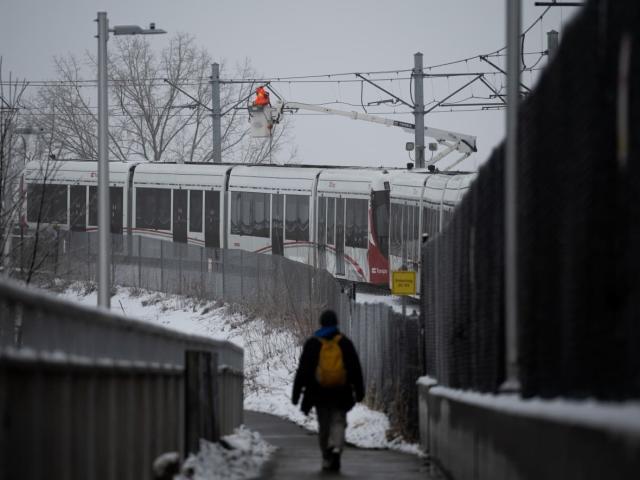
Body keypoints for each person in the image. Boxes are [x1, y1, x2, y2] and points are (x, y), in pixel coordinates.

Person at [292, 309, 364, 472]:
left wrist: (297, 394)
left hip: (320, 393)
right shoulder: (344, 343)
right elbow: (355, 368)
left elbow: (303, 370)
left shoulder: (313, 344)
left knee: (324, 425)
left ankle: (326, 455)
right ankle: (336, 447)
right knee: (338, 421)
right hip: (341, 391)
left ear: (321, 323)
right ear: (336, 323)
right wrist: (359, 391)